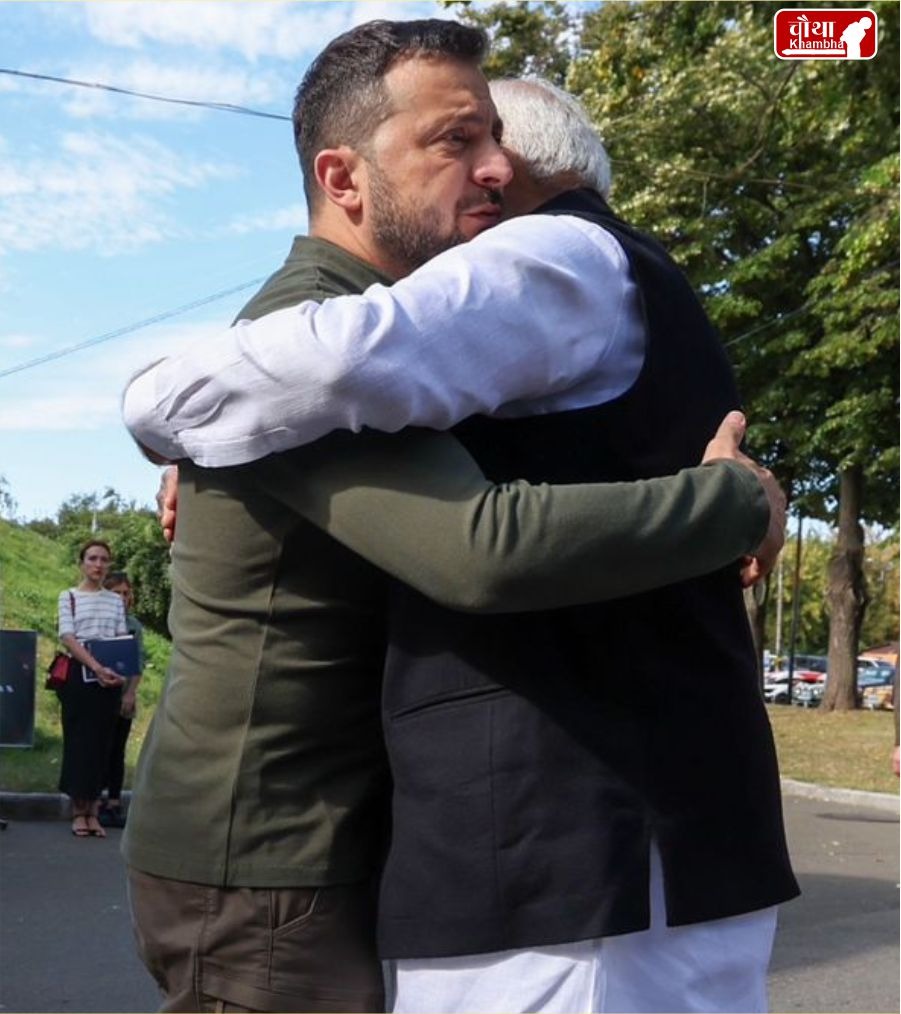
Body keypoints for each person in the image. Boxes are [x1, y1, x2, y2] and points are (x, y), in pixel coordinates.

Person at [122, 21, 789, 1014]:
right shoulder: (325, 339)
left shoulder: (430, 334)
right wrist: (737, 500)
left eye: (496, 146)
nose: (489, 170)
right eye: (457, 143)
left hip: (344, 842)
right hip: (265, 850)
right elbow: (479, 549)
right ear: (345, 180)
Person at [56, 540, 128, 838]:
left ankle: (94, 813)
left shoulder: (114, 600)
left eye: (104, 560)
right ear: (82, 562)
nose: (98, 564)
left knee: (102, 746)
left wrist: (116, 672)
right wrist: (95, 667)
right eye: (92, 558)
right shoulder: (68, 596)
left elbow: (121, 635)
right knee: (79, 744)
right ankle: (78, 812)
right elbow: (68, 637)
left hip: (108, 681)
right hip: (79, 677)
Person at [97, 571, 145, 829]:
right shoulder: (98, 620)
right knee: (98, 749)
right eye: (117, 593)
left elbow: (137, 664)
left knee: (117, 751)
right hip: (98, 694)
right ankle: (95, 801)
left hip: (122, 695)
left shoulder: (133, 625)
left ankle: (114, 803)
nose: (123, 598)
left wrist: (130, 693)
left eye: (126, 593)